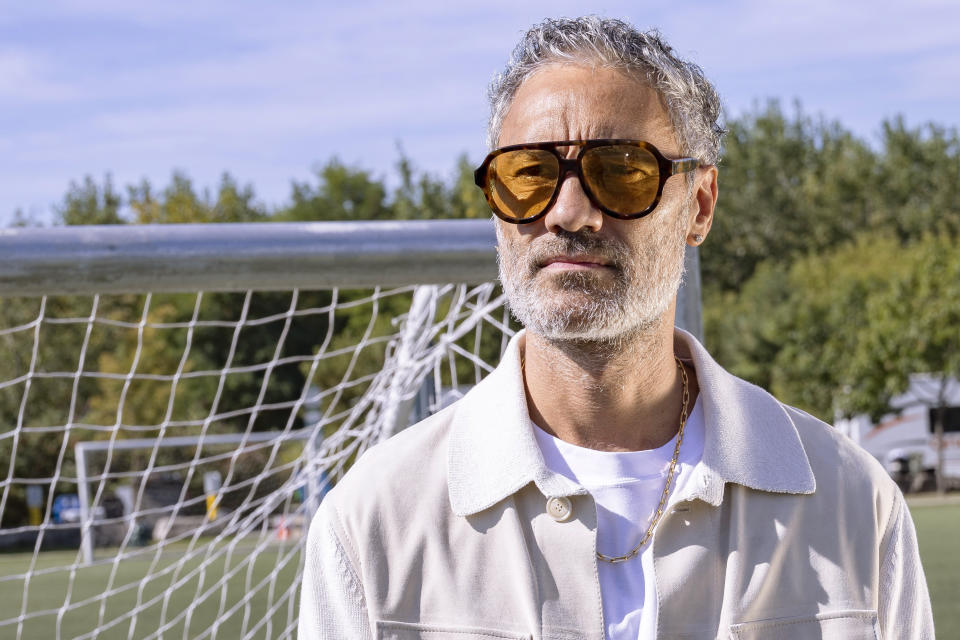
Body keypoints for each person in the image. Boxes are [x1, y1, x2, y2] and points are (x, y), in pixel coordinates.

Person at [299, 16, 934, 639]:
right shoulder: (374, 524)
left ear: (700, 206)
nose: (569, 213)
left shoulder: (850, 503)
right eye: (528, 175)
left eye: (622, 172)